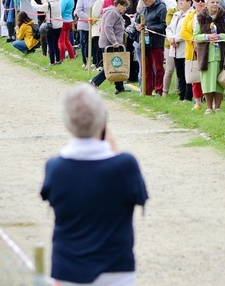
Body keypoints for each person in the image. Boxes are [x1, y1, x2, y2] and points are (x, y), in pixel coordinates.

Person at [41, 84, 147, 286]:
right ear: (103, 121)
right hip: (116, 270)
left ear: (66, 123)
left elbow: (48, 196)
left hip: (69, 269)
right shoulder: (125, 166)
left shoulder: (55, 167)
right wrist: (111, 145)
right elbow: (139, 196)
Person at [192, 0, 225, 114]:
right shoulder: (200, 17)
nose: (215, 4)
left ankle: (217, 106)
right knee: (207, 82)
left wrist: (220, 36)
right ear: (207, 4)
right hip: (206, 55)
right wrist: (207, 36)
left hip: (221, 54)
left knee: (219, 80)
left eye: (217, 2)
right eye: (212, 2)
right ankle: (209, 107)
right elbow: (196, 36)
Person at [90, 0, 131, 94]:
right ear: (119, 5)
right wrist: (114, 42)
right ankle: (94, 82)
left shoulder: (115, 13)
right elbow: (108, 27)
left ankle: (120, 87)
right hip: (111, 44)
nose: (125, 9)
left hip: (113, 43)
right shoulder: (112, 12)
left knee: (117, 64)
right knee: (111, 65)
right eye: (124, 7)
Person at [135, 0, 167, 95]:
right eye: (142, 0)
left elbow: (163, 25)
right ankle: (147, 90)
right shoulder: (144, 8)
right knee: (146, 67)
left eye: (146, 0)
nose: (144, 2)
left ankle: (159, 89)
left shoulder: (161, 8)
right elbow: (139, 20)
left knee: (158, 67)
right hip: (144, 41)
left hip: (156, 42)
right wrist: (139, 27)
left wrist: (148, 27)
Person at [169, 0, 194, 102]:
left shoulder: (191, 14)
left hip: (185, 46)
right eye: (179, 0)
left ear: (189, 2)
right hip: (175, 47)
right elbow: (169, 28)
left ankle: (188, 96)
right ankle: (181, 94)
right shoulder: (176, 14)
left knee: (186, 73)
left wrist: (175, 39)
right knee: (179, 73)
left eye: (182, 0)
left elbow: (187, 30)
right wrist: (170, 38)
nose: (180, 2)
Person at [33, 0, 62, 65]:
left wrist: (32, 0)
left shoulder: (48, 5)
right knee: (55, 43)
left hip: (51, 26)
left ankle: (52, 61)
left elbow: (37, 7)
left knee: (51, 44)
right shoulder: (58, 2)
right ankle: (58, 59)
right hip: (59, 25)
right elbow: (47, 4)